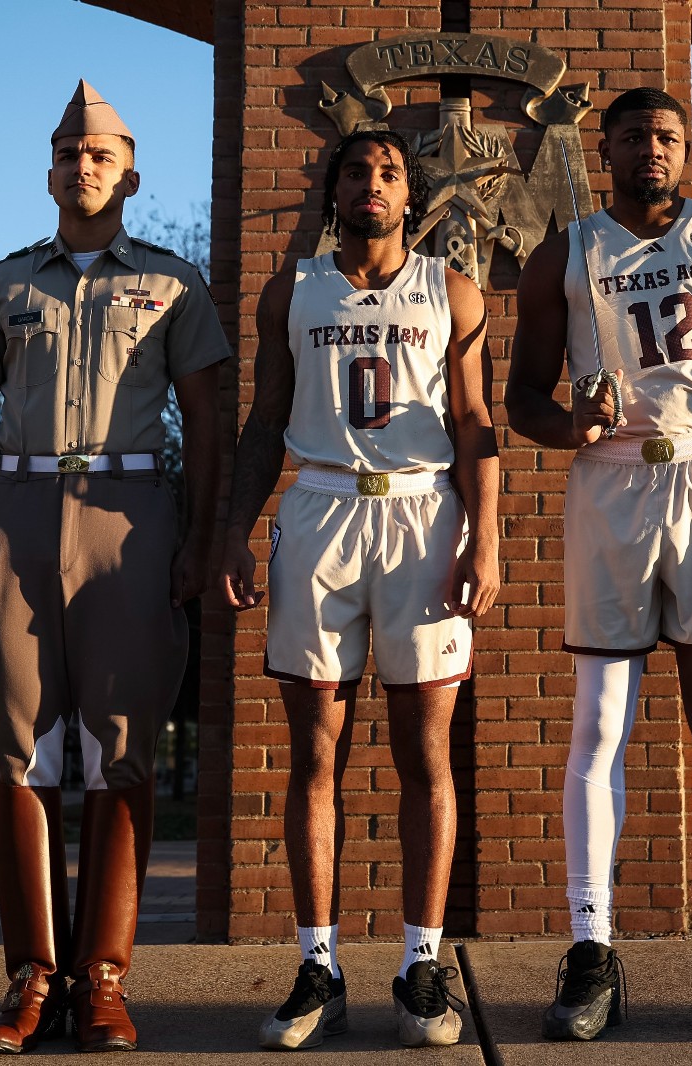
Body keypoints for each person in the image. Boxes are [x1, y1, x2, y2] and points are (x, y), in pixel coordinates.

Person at [0, 80, 230, 1054]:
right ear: (49, 174)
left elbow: (207, 421)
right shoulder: (3, 284)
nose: (83, 166)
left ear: (130, 177)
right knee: (18, 748)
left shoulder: (175, 284)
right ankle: (32, 977)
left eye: (100, 155)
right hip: (13, 512)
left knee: (119, 746)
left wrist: (200, 538)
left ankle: (102, 978)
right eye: (68, 154)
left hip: (129, 513)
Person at [507, 86, 692, 1042]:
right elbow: (522, 401)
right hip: (612, 481)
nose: (652, 149)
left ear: (688, 148)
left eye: (667, 135)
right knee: (600, 725)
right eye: (633, 135)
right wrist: (570, 424)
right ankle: (592, 949)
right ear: (605, 151)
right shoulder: (566, 252)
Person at [219, 128, 499, 1050]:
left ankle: (421, 964)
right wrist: (234, 530)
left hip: (422, 513)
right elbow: (264, 418)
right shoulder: (292, 290)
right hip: (321, 510)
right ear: (332, 189)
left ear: (411, 194)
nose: (371, 184)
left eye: (388, 172)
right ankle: (319, 966)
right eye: (355, 171)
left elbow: (473, 420)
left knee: (426, 752)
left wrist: (489, 537)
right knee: (315, 752)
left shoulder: (452, 290)